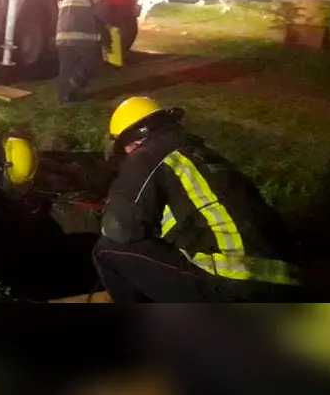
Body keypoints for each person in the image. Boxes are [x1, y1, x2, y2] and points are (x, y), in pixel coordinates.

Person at [93, 96, 304, 302]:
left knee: (106, 249)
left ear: (131, 142)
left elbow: (118, 228)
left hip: (232, 285)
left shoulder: (147, 154)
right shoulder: (201, 153)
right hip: (287, 282)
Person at [55, 0, 111, 103]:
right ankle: (74, 87)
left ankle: (63, 97)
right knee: (91, 62)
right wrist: (109, 24)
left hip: (62, 32)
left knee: (66, 67)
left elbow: (60, 5)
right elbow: (101, 8)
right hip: (82, 32)